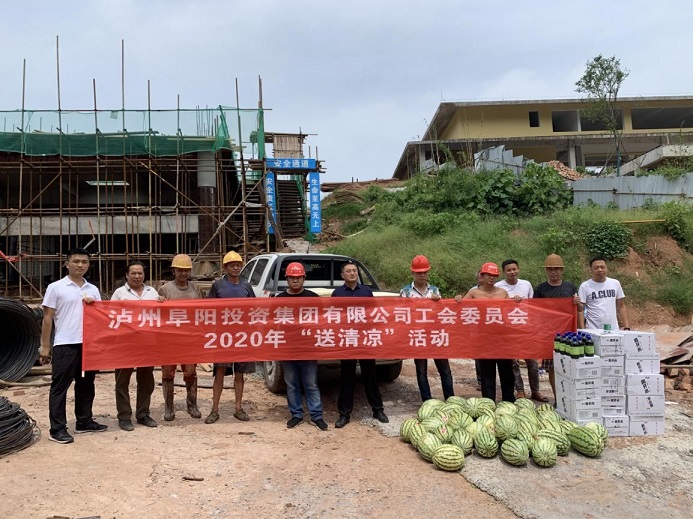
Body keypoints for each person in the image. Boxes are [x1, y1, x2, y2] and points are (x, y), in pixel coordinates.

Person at [39, 248, 108, 444]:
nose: (80, 265)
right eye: (76, 261)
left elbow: (100, 317)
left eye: (84, 262)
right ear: (66, 264)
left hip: (88, 345)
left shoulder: (92, 289)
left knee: (86, 384)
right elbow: (47, 318)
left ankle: (84, 421)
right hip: (65, 344)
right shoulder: (56, 287)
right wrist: (45, 346)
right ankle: (57, 429)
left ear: (88, 265)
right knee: (60, 386)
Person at [331, 261, 389, 428]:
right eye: (348, 271)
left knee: (370, 376)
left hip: (364, 340)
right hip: (347, 340)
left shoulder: (366, 291)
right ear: (342, 275)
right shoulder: (337, 294)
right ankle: (344, 414)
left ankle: (377, 410)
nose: (352, 273)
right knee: (347, 377)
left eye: (354, 271)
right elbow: (333, 317)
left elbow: (373, 313)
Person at [275, 262, 328, 431]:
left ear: (304, 278)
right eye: (292, 277)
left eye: (298, 277)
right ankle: (296, 414)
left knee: (311, 383)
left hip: (308, 348)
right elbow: (273, 324)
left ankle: (316, 416)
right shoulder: (279, 300)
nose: (295, 280)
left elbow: (322, 321)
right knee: (291, 384)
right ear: (287, 279)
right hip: (288, 348)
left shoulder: (313, 298)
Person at [204, 251, 256, 424]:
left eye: (238, 265)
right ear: (225, 267)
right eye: (232, 265)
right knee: (219, 372)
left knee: (239, 373)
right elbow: (209, 309)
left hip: (241, 336)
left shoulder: (246, 286)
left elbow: (254, 308)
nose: (235, 268)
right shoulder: (217, 286)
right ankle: (214, 410)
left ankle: (238, 408)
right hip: (223, 336)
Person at [110, 261, 160, 431]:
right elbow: (110, 314)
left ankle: (143, 414)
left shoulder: (152, 292)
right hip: (125, 344)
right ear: (127, 275)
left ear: (144, 275)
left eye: (140, 273)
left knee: (146, 380)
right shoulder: (120, 293)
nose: (137, 276)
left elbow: (159, 314)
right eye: (133, 273)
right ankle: (124, 416)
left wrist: (162, 302)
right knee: (122, 381)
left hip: (147, 343)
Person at [455, 262, 515, 403]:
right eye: (488, 275)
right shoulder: (474, 293)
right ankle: (488, 403)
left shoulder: (502, 293)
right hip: (483, 338)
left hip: (502, 337)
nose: (491, 278)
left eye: (494, 275)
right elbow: (460, 310)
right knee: (487, 373)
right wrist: (458, 299)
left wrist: (517, 301)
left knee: (507, 371)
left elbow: (511, 311)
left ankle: (509, 402)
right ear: (482, 275)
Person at [400, 255, 454, 402]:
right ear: (412, 273)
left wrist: (439, 302)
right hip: (418, 334)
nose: (422, 275)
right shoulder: (405, 292)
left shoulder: (434, 290)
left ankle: (450, 399)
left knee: (445, 369)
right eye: (419, 272)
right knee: (421, 370)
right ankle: (427, 401)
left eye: (424, 272)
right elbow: (402, 313)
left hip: (435, 334)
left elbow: (442, 312)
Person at [158, 254, 203, 422]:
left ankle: (192, 405)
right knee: (167, 374)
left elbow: (202, 312)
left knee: (190, 373)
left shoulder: (195, 289)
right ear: (174, 271)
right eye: (180, 270)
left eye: (186, 270)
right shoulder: (165, 290)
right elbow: (159, 314)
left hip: (189, 339)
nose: (183, 273)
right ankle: (169, 407)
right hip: (169, 340)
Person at [533, 254, 582, 402]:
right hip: (549, 334)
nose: (553, 272)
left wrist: (578, 303)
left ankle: (570, 399)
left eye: (557, 269)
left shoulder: (570, 287)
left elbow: (579, 309)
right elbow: (535, 311)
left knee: (569, 365)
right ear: (546, 271)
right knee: (553, 368)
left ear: (562, 270)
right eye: (550, 269)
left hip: (568, 334)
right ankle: (558, 399)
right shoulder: (540, 289)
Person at [495, 259, 544, 401]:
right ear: (504, 272)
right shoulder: (498, 287)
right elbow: (495, 306)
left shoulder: (526, 284)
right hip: (508, 329)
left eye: (514, 269)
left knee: (532, 363)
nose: (512, 272)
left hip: (526, 329)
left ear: (518, 269)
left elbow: (533, 305)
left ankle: (535, 391)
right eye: (509, 270)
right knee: (513, 363)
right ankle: (520, 390)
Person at [578, 256, 631, 331]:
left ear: (607, 268)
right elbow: (580, 309)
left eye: (602, 267)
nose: (600, 270)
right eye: (596, 268)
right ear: (591, 270)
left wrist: (627, 327)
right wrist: (582, 330)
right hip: (593, 330)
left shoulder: (615, 283)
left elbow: (621, 306)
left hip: (613, 330)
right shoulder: (585, 286)